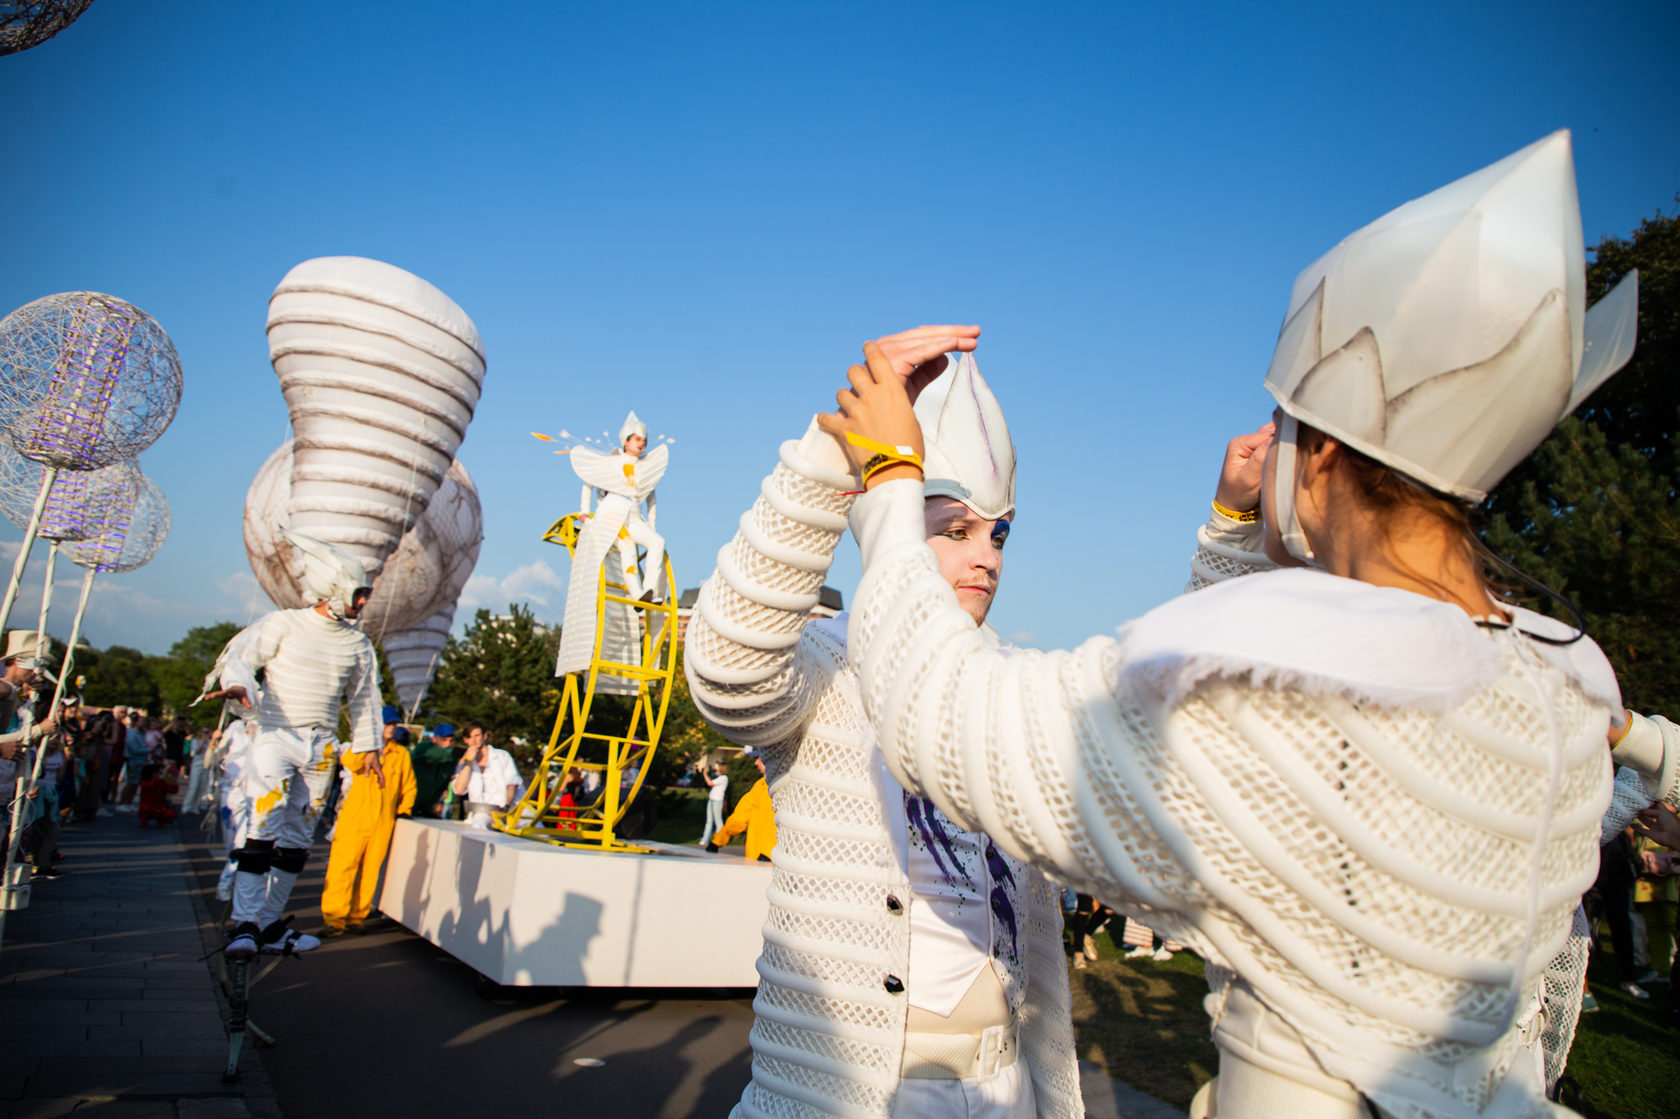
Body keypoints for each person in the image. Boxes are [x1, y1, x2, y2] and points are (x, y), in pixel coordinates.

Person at [822, 133, 1676, 1119]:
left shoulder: (1287, 682)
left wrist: (891, 480)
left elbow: (950, 714)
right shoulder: (1555, 684)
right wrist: (1240, 527)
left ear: (1319, 466)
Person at [685, 335, 1082, 1118]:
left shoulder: (1007, 682)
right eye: (955, 527)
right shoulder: (831, 666)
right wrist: (838, 456)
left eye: (999, 533)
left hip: (1007, 1088)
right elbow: (727, 669)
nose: (988, 557)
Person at [198, 529, 384, 957]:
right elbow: (241, 659)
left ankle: (267, 924)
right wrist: (240, 687)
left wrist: (368, 745)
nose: (362, 602)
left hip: (321, 748)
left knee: (300, 837)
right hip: (276, 735)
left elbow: (364, 699)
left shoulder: (358, 644)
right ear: (333, 589)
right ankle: (243, 923)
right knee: (262, 829)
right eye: (358, 593)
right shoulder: (283, 623)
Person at [555, 411, 671, 679]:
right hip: (613, 513)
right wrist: (584, 511)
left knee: (657, 542)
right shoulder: (611, 462)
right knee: (628, 549)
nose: (642, 443)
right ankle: (636, 594)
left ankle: (650, 590)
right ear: (626, 441)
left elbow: (652, 500)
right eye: (637, 439)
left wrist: (651, 526)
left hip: (634, 515)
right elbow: (589, 480)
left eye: (644, 440)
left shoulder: (646, 468)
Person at [321, 714, 415, 935]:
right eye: (387, 723)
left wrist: (404, 810)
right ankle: (334, 920)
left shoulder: (401, 754)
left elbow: (409, 785)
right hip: (356, 816)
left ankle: (357, 917)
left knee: (370, 870)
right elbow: (349, 762)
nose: (391, 728)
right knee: (342, 868)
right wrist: (366, 746)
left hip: (384, 819)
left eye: (393, 724)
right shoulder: (361, 748)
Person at [704, 750, 776, 862]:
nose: (755, 763)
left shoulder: (783, 787)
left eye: (759, 758)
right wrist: (718, 840)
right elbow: (740, 817)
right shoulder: (759, 786)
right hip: (755, 859)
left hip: (775, 864)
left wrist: (768, 852)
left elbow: (785, 825)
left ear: (770, 758)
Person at [448, 723, 519, 829]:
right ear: (465, 740)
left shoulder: (502, 756)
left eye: (477, 736)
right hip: (483, 812)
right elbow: (459, 789)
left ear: (484, 736)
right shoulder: (465, 764)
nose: (473, 740)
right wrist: (468, 762)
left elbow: (512, 784)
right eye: (469, 737)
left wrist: (506, 807)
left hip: (509, 809)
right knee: (479, 823)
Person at [409, 722, 458, 818]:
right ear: (434, 739)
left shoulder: (450, 760)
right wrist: (457, 752)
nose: (448, 743)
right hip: (407, 805)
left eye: (451, 741)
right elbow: (438, 754)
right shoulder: (423, 748)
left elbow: (442, 786)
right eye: (444, 740)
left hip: (424, 808)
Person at [136, 763, 178, 828]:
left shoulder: (161, 782)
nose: (159, 775)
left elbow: (173, 791)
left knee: (170, 814)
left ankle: (162, 822)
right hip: (148, 806)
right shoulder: (145, 782)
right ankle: (143, 821)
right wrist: (159, 778)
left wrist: (173, 781)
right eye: (157, 773)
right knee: (145, 809)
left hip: (159, 807)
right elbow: (150, 786)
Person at [696, 762, 728, 846]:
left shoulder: (724, 778)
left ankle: (719, 839)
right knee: (709, 821)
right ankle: (704, 840)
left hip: (717, 800)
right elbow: (712, 780)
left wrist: (704, 774)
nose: (716, 768)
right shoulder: (719, 777)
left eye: (718, 767)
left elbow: (710, 783)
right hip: (712, 799)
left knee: (718, 821)